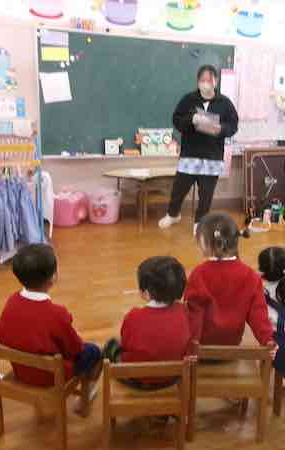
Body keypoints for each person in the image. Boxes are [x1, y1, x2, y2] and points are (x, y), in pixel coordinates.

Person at [0, 244, 101, 387]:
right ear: (53, 278)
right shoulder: (57, 314)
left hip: (21, 371)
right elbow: (75, 349)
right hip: (52, 377)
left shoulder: (11, 302)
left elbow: (2, 332)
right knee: (93, 351)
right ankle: (88, 388)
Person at [159, 65, 239, 236]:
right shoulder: (188, 99)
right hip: (190, 154)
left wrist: (221, 129)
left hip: (212, 157)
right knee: (179, 189)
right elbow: (177, 120)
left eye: (209, 80)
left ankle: (200, 221)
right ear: (197, 82)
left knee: (206, 194)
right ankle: (173, 214)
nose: (205, 83)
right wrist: (191, 119)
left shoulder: (225, 103)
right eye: (202, 80)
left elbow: (233, 125)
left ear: (216, 81)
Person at [184, 212, 274, 347]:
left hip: (202, 348)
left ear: (208, 243)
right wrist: (267, 339)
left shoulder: (198, 274)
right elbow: (258, 314)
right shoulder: (251, 276)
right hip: (233, 346)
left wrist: (192, 345)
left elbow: (193, 315)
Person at [103, 256, 191, 389]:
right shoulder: (184, 311)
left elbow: (126, 344)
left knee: (110, 346)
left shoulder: (133, 316)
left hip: (138, 379)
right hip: (172, 377)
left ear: (146, 293)